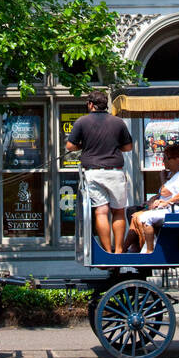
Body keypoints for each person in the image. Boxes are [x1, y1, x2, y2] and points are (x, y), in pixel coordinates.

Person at [65, 89, 134, 253]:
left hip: (93, 172)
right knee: (118, 212)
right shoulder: (118, 122)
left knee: (101, 212)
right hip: (115, 171)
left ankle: (107, 251)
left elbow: (70, 146)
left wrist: (84, 145)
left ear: (90, 104)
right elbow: (128, 147)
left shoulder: (82, 122)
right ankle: (118, 250)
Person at [132, 141, 179, 253]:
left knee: (146, 218)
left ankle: (150, 252)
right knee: (144, 216)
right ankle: (149, 249)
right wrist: (162, 200)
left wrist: (167, 202)